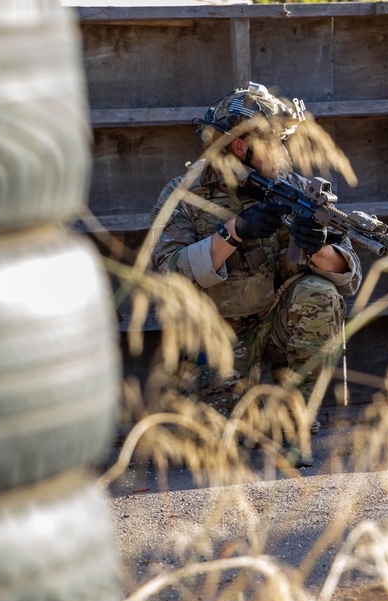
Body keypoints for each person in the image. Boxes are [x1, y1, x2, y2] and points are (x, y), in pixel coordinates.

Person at [150, 83, 361, 409]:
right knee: (219, 440)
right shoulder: (185, 195)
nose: (283, 153)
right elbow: (167, 272)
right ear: (238, 146)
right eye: (273, 142)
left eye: (283, 141)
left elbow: (351, 277)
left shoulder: (297, 189)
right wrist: (235, 232)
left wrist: (317, 248)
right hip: (216, 335)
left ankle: (298, 416)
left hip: (278, 326)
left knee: (321, 294)